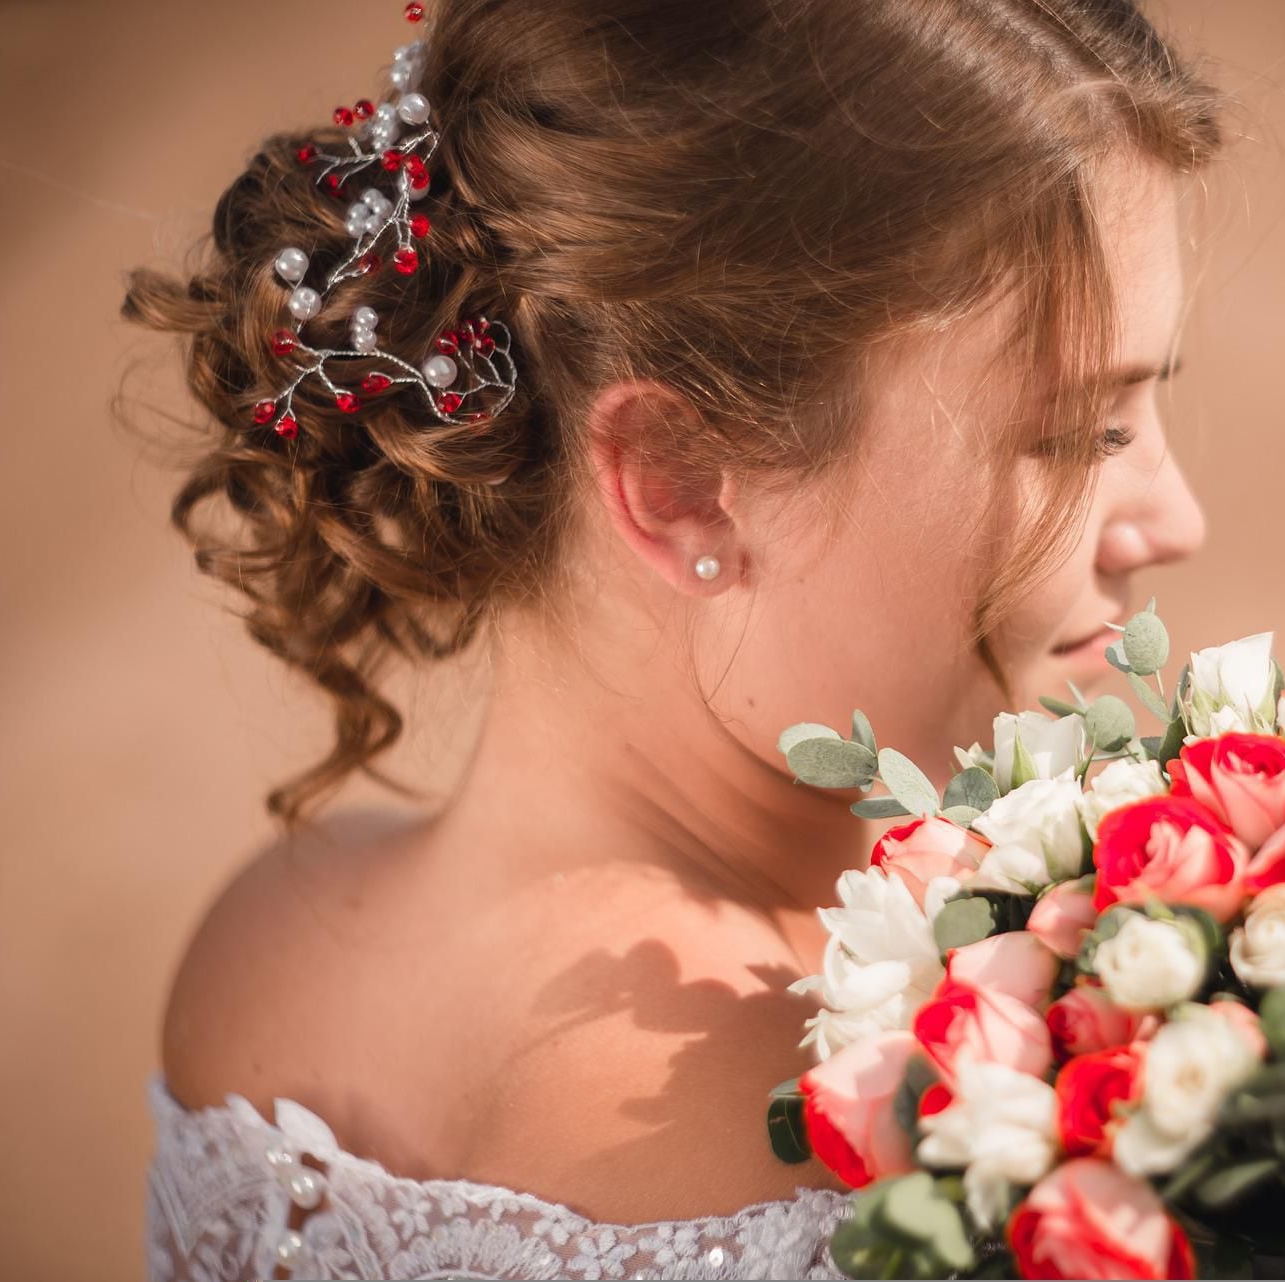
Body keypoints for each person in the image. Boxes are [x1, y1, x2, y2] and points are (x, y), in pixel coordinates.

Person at [123, 0, 1225, 1276]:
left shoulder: (265, 940)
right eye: (1078, 434)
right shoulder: (891, 1112)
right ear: (685, 477)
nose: (1175, 520)